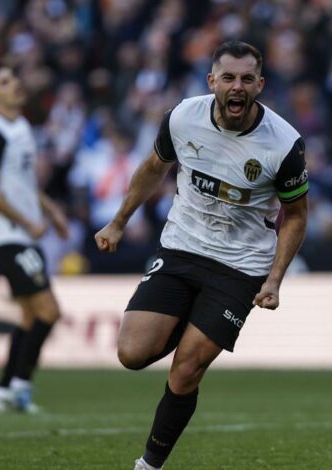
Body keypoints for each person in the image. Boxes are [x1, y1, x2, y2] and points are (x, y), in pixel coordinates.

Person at [95, 40, 309, 470]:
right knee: (132, 353)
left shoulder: (283, 144)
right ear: (212, 81)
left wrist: (275, 278)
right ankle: (191, 320)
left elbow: (297, 215)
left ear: (260, 85)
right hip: (181, 248)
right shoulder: (182, 117)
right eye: (228, 77)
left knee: (186, 368)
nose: (237, 86)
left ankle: (148, 465)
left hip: (240, 266)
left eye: (247, 79)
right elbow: (153, 169)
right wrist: (119, 220)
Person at [0, 62, 69, 413]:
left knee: (30, 316)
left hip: (22, 234)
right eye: (4, 81)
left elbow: (23, 184)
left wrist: (51, 210)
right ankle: (20, 388)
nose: (15, 84)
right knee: (49, 310)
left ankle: (3, 392)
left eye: (13, 77)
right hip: (4, 236)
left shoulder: (21, 126)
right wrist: (29, 223)